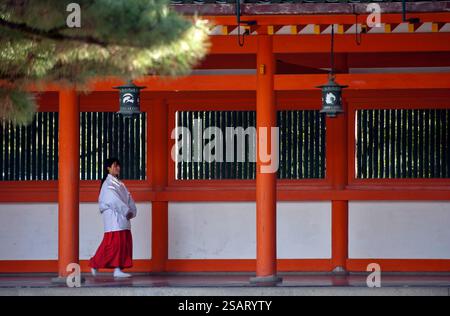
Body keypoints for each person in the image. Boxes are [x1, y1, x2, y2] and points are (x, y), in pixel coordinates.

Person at [89, 158, 137, 278]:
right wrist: (126, 211)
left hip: (122, 217)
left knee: (123, 244)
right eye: (115, 166)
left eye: (118, 166)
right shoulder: (108, 184)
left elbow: (128, 198)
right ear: (108, 168)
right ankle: (95, 263)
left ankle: (118, 268)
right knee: (113, 245)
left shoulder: (120, 183)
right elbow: (112, 200)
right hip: (114, 217)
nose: (118, 168)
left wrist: (132, 210)